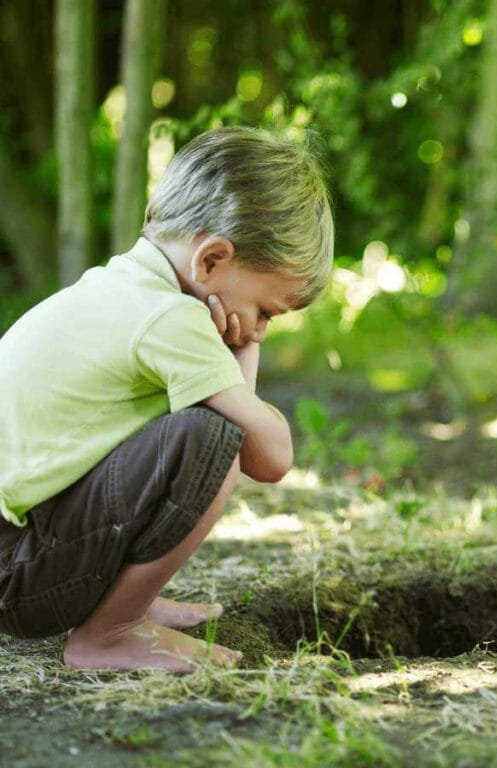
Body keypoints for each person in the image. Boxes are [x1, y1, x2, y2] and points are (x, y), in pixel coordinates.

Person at [0, 127, 334, 672]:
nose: (261, 329)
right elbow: (268, 455)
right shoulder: (169, 318)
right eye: (267, 312)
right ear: (211, 261)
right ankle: (110, 631)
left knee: (197, 424)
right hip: (16, 574)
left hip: (16, 552)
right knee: (211, 440)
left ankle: (123, 602)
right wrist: (243, 348)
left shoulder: (119, 288)